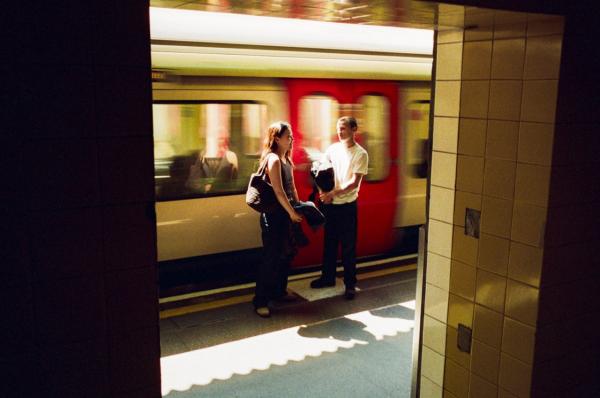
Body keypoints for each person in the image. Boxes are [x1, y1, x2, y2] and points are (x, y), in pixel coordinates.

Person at [310, 116, 369, 300]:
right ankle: (328, 277)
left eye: (343, 128)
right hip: (331, 205)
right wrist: (321, 192)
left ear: (354, 129)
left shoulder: (361, 154)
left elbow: (354, 182)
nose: (340, 131)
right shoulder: (332, 149)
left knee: (348, 247)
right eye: (338, 128)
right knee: (330, 244)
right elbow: (319, 170)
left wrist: (331, 194)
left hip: (347, 206)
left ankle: (350, 284)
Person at [253, 122, 303, 317]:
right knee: (271, 258)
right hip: (275, 216)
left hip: (287, 213)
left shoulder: (286, 159)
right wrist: (291, 212)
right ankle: (260, 301)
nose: (291, 139)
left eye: (291, 136)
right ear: (276, 138)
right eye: (288, 136)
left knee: (286, 254)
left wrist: (298, 206)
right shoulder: (273, 159)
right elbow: (279, 191)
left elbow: (292, 188)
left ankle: (279, 291)